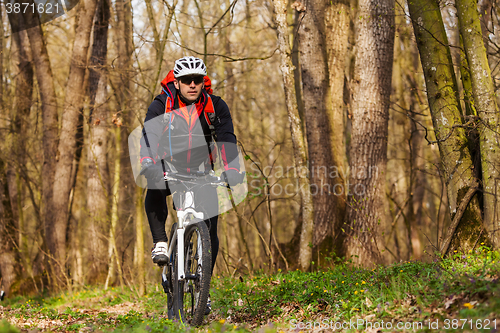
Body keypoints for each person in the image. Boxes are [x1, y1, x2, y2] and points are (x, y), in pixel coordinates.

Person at [139, 56, 243, 314]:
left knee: (211, 230)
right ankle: (161, 242)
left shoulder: (215, 106)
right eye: (186, 80)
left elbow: (227, 138)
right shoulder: (162, 104)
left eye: (197, 80)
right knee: (154, 186)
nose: (192, 85)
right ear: (177, 82)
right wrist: (148, 161)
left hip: (201, 171)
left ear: (203, 82)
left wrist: (231, 170)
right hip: (168, 166)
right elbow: (149, 135)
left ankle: (202, 286)